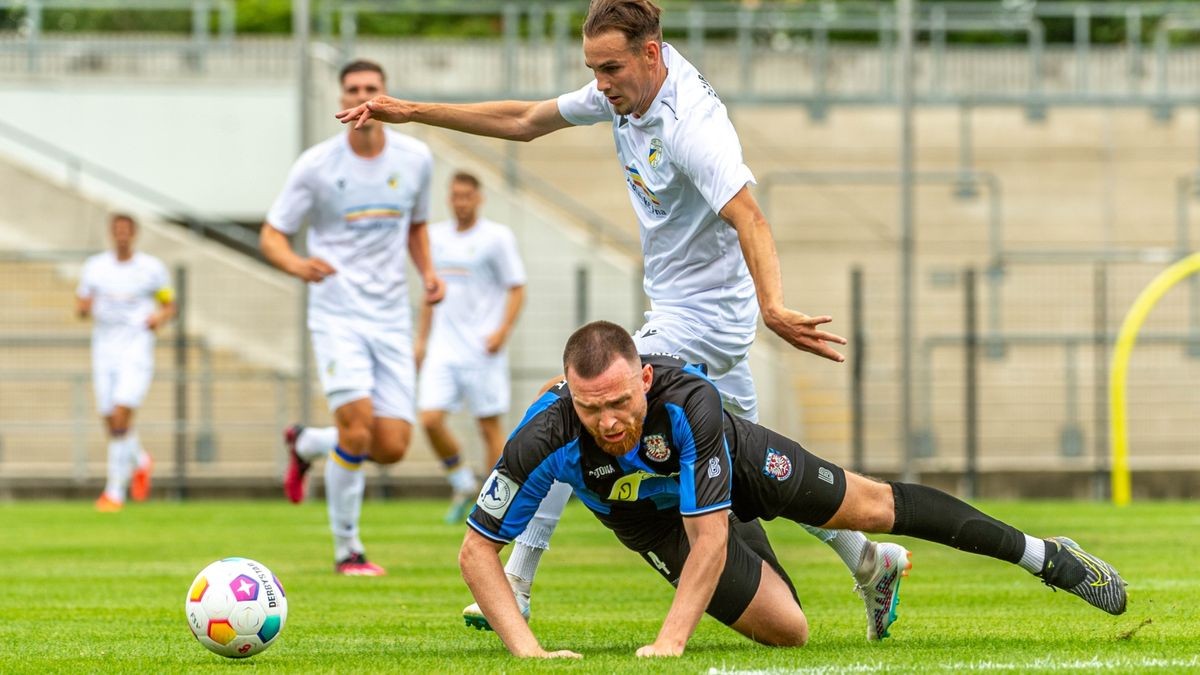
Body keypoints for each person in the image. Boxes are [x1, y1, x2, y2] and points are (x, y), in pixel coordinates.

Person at [336, 0, 905, 639]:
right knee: (755, 473)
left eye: (609, 68)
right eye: (593, 69)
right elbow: (524, 119)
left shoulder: (693, 124)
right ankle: (868, 558)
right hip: (685, 310)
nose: (601, 83)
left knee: (565, 412)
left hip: (704, 320)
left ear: (651, 53)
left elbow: (750, 215)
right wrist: (412, 111)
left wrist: (775, 304)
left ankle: (517, 581)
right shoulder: (622, 92)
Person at [459, 321, 1128, 659]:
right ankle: (867, 567)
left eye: (617, 401)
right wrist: (530, 651)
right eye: (588, 405)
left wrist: (669, 641)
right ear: (566, 393)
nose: (607, 421)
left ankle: (1048, 556)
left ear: (642, 376)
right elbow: (475, 551)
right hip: (653, 524)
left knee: (874, 505)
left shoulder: (690, 399)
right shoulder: (545, 434)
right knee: (789, 631)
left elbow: (712, 537)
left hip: (738, 466)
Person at [262, 59, 445, 576]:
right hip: (337, 314)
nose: (363, 96)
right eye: (353, 89)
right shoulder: (317, 166)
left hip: (390, 317)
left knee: (389, 446)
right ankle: (349, 551)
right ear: (341, 100)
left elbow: (416, 225)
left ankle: (305, 442)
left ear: (386, 97)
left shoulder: (416, 159)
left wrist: (428, 272)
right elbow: (272, 234)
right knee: (358, 429)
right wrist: (298, 264)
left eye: (372, 88)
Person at [415, 171, 527, 524]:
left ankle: (497, 503)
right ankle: (462, 481)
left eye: (468, 196)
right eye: (456, 196)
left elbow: (517, 288)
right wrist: (421, 339)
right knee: (430, 418)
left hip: (482, 349)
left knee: (488, 426)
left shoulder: (496, 238)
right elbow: (429, 292)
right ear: (449, 198)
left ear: (479, 198)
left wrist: (502, 331)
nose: (461, 202)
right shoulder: (434, 238)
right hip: (443, 348)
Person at [76, 213, 175, 512]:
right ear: (111, 233)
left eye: (126, 231)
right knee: (109, 419)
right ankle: (141, 461)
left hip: (136, 346)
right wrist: (85, 308)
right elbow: (81, 305)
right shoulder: (95, 268)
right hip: (104, 347)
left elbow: (169, 304)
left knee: (121, 415)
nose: (121, 235)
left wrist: (159, 317)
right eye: (116, 230)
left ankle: (114, 492)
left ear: (133, 234)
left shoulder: (151, 269)